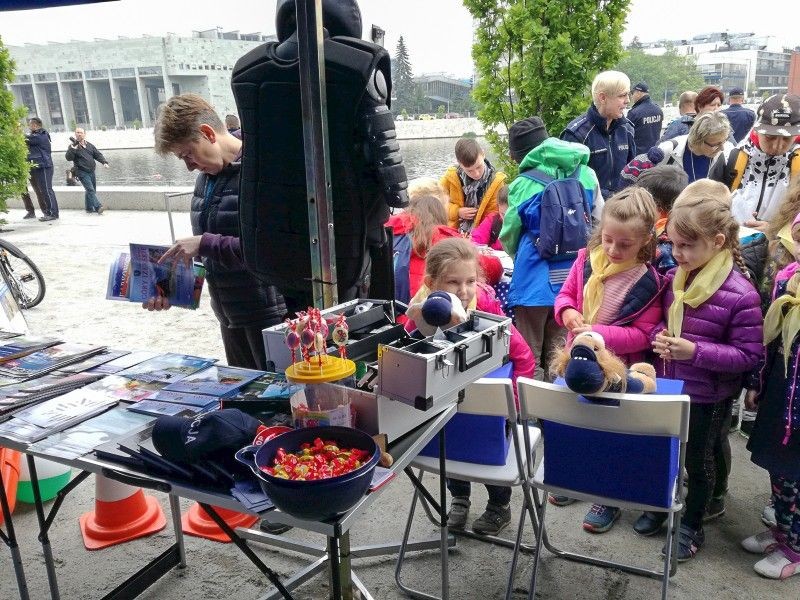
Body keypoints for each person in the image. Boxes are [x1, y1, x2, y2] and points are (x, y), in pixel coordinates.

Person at [643, 182, 763, 562]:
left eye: (685, 246)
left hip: (709, 395)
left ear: (717, 241)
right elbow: (656, 322)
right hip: (670, 383)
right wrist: (658, 335)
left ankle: (693, 524)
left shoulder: (741, 294)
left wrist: (695, 351)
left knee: (699, 459)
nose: (676, 254)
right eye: (673, 245)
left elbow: (748, 356)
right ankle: (661, 504)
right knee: (665, 450)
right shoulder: (677, 280)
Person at [405, 237, 534, 535]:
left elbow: (524, 356)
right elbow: (409, 347)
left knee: (489, 453)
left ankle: (499, 505)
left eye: (470, 281)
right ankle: (459, 498)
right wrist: (417, 326)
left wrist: (509, 407)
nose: (463, 292)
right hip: (447, 404)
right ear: (431, 282)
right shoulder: (421, 308)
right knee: (451, 447)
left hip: (490, 407)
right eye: (453, 283)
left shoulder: (487, 306)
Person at [551, 188, 662, 532]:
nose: (613, 249)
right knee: (578, 420)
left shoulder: (649, 280)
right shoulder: (587, 259)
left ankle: (609, 496)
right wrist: (567, 312)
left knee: (613, 433)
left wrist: (596, 335)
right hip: (576, 359)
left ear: (645, 240)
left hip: (617, 368)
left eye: (624, 245)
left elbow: (643, 335)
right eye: (608, 239)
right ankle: (578, 479)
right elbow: (566, 295)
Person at [151, 93, 287, 371]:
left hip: (269, 317)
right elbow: (206, 253)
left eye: (188, 154)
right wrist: (167, 286)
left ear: (207, 133)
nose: (189, 166)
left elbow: (274, 250)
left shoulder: (263, 171)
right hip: (229, 316)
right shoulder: (206, 179)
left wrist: (204, 244)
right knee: (244, 400)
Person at [501, 116, 603, 381]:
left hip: (533, 277)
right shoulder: (587, 173)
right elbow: (599, 222)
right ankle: (555, 411)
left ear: (518, 154)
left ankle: (529, 414)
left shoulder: (523, 183)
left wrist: (518, 255)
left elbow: (510, 232)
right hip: (573, 276)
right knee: (560, 350)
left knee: (527, 352)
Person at [741, 210, 800, 580]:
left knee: (795, 471)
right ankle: (784, 528)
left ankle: (795, 546)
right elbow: (770, 339)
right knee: (779, 468)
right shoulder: (786, 281)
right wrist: (758, 383)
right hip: (782, 389)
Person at [711, 94, 800, 232]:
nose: (777, 146)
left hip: (778, 249)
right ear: (757, 130)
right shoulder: (731, 158)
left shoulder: (797, 164)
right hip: (733, 243)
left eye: (787, 139)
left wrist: (775, 230)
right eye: (770, 137)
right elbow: (708, 206)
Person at [561, 70, 636, 199]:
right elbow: (567, 183)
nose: (628, 100)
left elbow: (633, 171)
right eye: (622, 95)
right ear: (603, 98)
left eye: (628, 95)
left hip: (621, 208)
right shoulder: (577, 134)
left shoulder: (627, 129)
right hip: (589, 210)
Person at [626, 112, 735, 184]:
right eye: (716, 144)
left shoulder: (727, 151)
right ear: (699, 139)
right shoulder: (668, 150)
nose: (722, 148)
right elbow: (639, 180)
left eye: (724, 141)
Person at [386, 194, 459, 299]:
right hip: (425, 306)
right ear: (441, 215)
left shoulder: (389, 231)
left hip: (390, 303)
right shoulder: (445, 240)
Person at [441, 138, 507, 234]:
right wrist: (457, 212)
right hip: (452, 233)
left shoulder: (496, 181)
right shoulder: (450, 177)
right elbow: (437, 204)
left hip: (482, 236)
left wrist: (476, 237)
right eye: (469, 170)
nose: (476, 174)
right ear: (459, 164)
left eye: (479, 167)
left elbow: (495, 214)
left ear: (483, 154)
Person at [65, 127, 108, 214]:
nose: (79, 134)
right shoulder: (72, 146)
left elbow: (97, 154)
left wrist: (104, 162)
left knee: (91, 190)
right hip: (81, 172)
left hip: (91, 171)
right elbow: (68, 158)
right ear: (75, 134)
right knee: (90, 189)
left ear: (84, 134)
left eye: (81, 132)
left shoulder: (90, 145)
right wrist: (73, 148)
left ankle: (89, 208)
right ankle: (98, 207)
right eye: (77, 132)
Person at [25, 117, 59, 221]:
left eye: (30, 125)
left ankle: (52, 213)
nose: (29, 127)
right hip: (40, 166)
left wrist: (16, 131)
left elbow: (25, 138)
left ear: (35, 125)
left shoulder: (40, 136)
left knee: (47, 190)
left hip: (44, 166)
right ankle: (50, 212)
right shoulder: (36, 135)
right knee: (45, 190)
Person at [627, 82, 663, 155]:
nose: (631, 97)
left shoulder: (634, 112)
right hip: (654, 155)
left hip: (638, 157)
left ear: (638, 92)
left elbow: (626, 135)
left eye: (632, 93)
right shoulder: (658, 110)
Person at [470, 184, 506, 251]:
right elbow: (476, 242)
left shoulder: (526, 225)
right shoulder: (493, 219)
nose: (506, 219)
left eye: (511, 215)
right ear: (498, 207)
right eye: (503, 214)